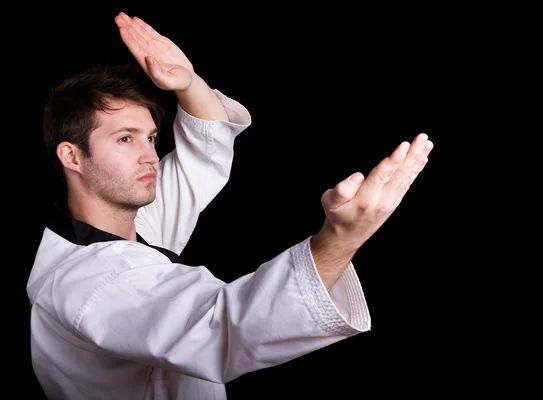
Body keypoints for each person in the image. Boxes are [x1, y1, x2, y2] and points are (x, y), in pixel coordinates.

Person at [26, 11, 434, 400]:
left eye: (151, 138)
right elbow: (221, 327)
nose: (151, 156)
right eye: (125, 139)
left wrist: (187, 82)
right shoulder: (88, 283)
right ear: (72, 156)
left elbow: (202, 153)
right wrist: (340, 240)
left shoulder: (129, 222)